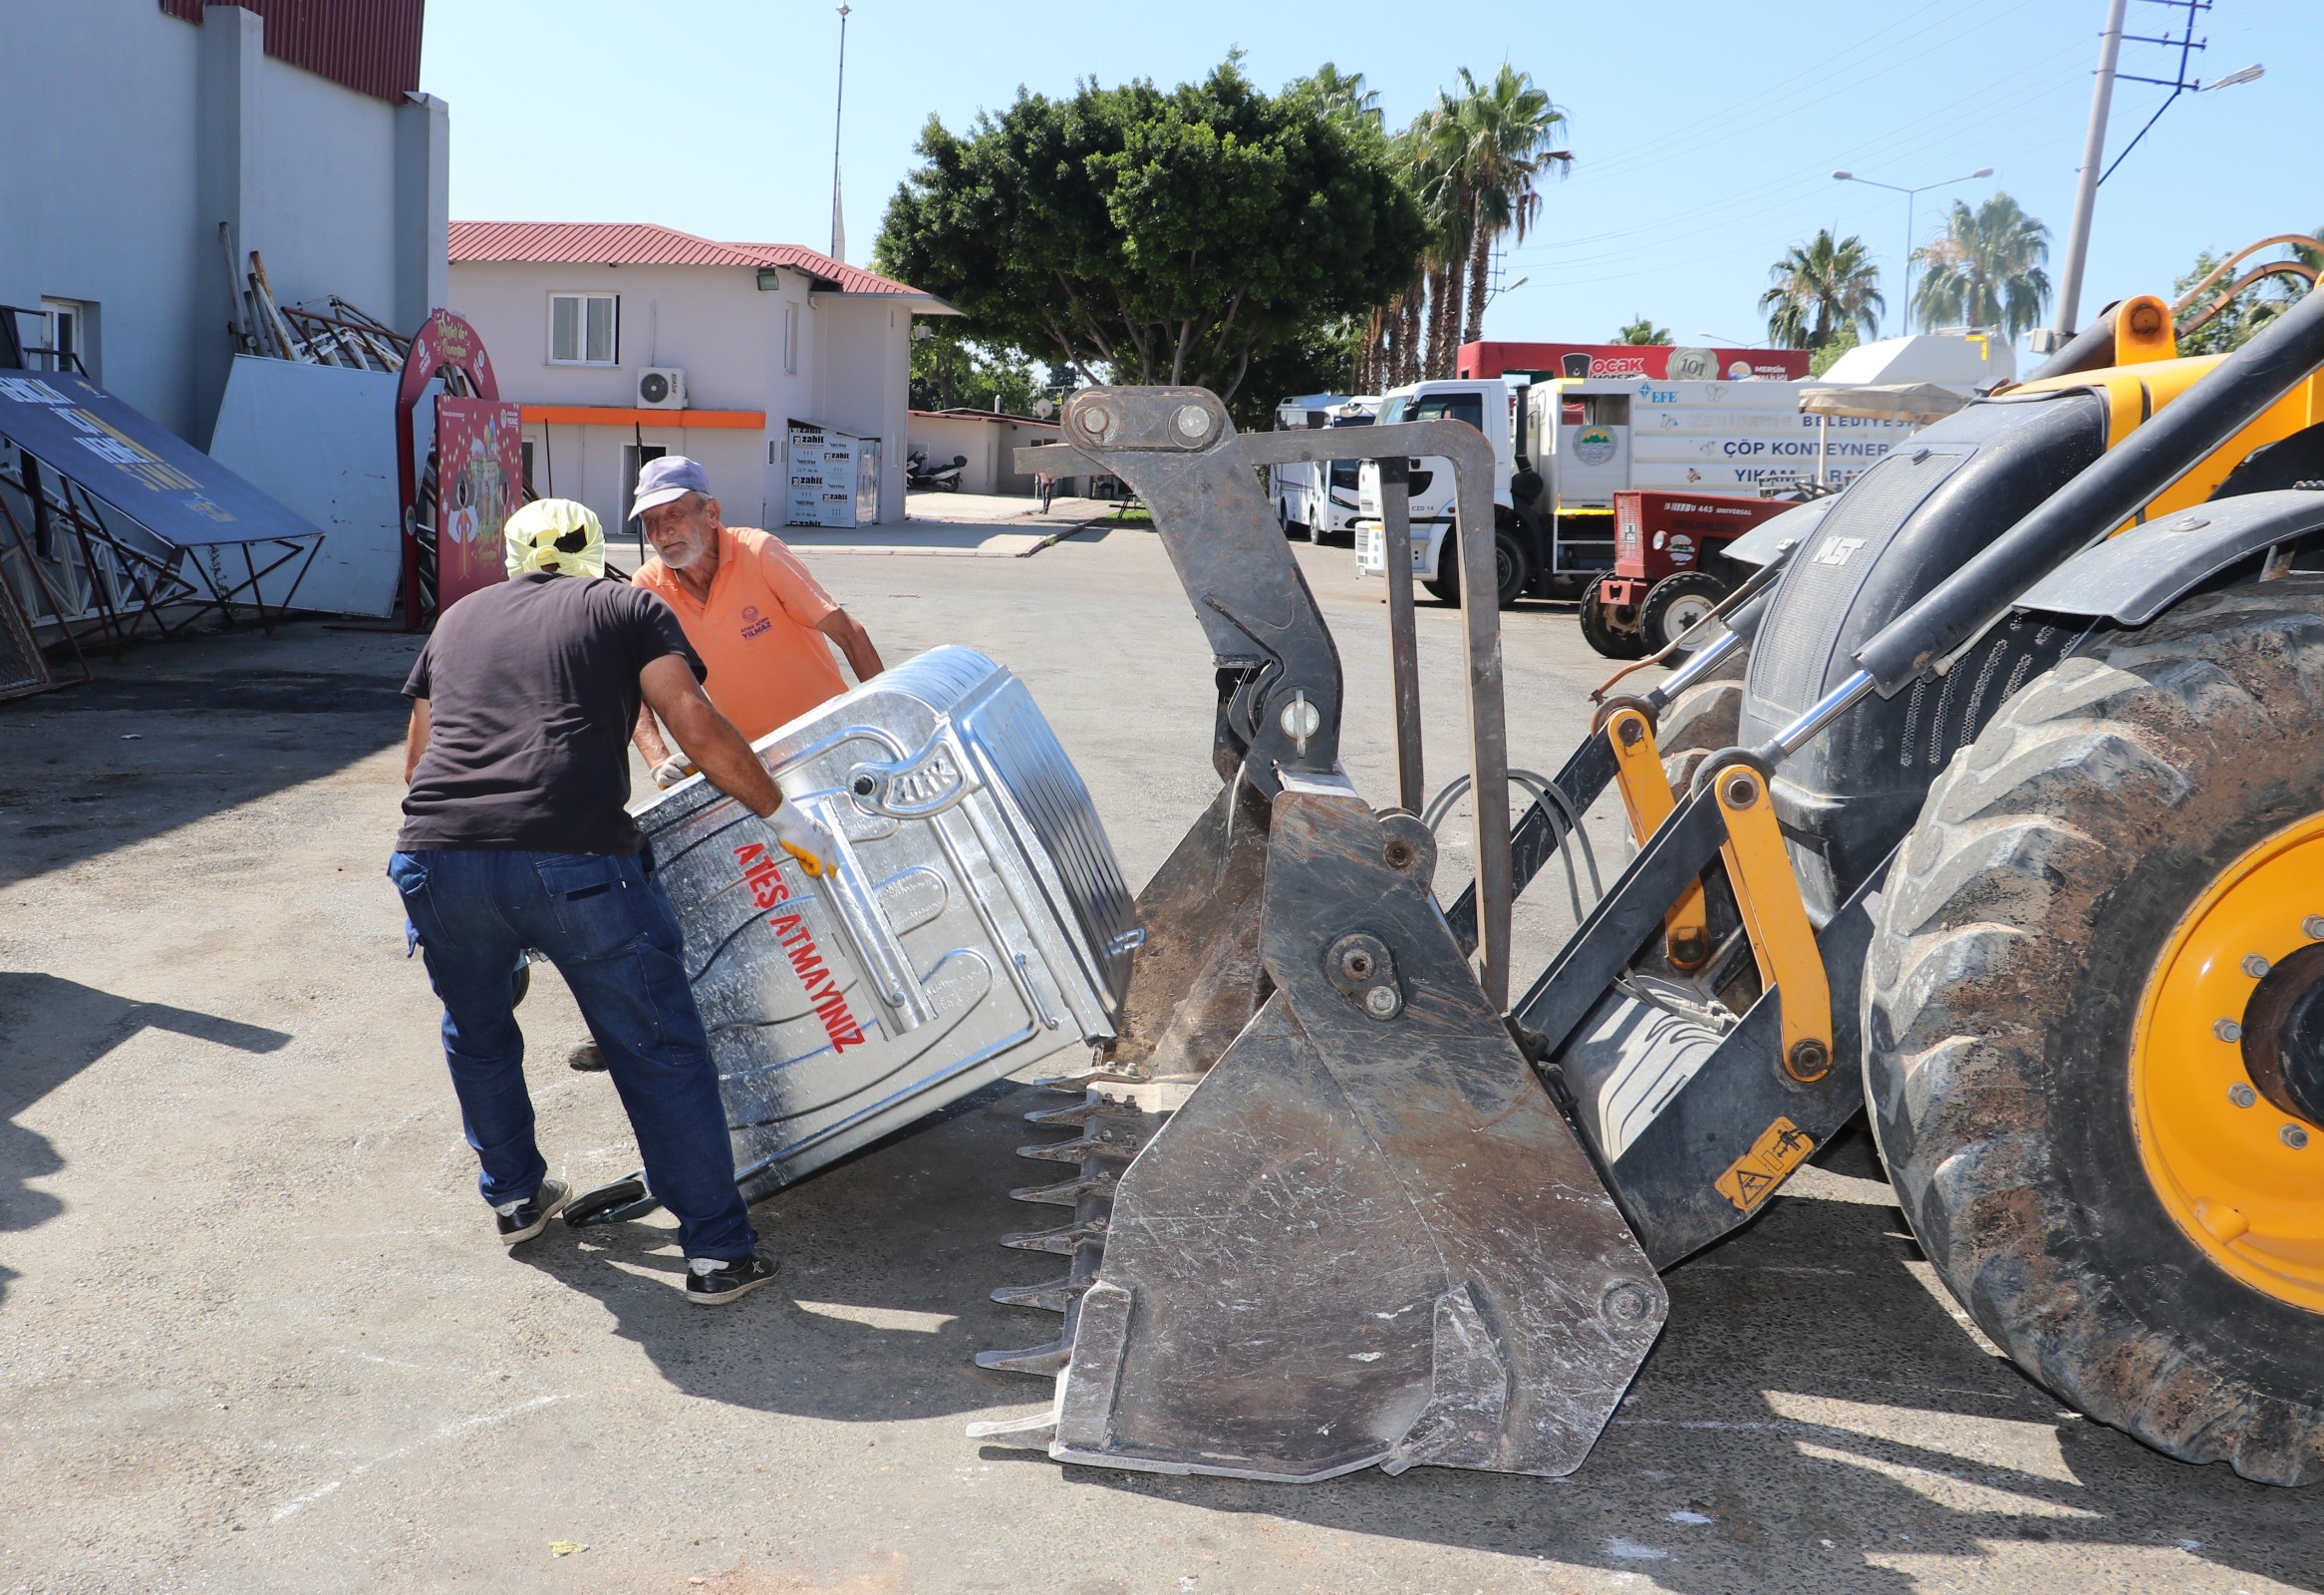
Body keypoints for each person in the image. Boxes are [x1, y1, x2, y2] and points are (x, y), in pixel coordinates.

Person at [387, 497, 841, 1304]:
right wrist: (784, 816)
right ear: (596, 553)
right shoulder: (625, 604)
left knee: (478, 1033)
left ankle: (515, 1198)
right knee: (655, 1046)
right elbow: (693, 721)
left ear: (513, 557)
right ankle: (717, 1253)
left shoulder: (456, 620)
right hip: (574, 859)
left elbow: (418, 765)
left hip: (437, 860)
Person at [625, 456, 885, 787]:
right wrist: (658, 760)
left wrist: (884, 721)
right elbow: (633, 681)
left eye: (675, 514)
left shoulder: (759, 552)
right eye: (650, 521)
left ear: (712, 513)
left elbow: (849, 633)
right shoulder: (648, 585)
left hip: (830, 737)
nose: (662, 532)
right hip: (754, 766)